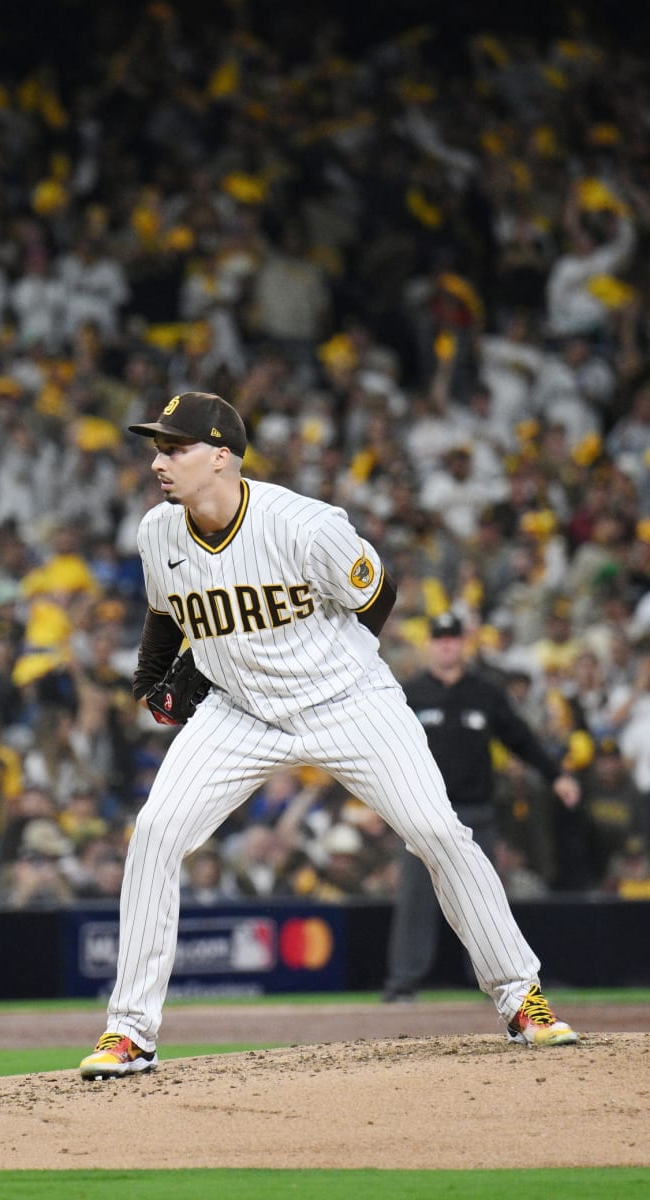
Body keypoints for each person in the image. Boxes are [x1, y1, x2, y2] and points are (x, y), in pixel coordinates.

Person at [80, 392, 579, 1081]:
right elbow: (165, 612)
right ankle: (129, 1032)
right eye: (158, 447)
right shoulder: (157, 532)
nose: (160, 460)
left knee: (437, 832)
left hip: (347, 700)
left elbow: (377, 597)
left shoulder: (306, 525)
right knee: (157, 833)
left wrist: (310, 662)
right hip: (241, 712)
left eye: (176, 447)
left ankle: (521, 997)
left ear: (221, 456)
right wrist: (155, 676)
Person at [382, 611, 582, 1001]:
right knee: (414, 901)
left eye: (453, 638)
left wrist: (556, 774)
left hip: (476, 812)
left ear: (463, 643)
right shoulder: (410, 692)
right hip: (422, 813)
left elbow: (520, 738)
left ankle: (495, 983)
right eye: (440, 638)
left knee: (483, 898)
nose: (446, 645)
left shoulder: (484, 692)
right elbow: (387, 747)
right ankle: (403, 982)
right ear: (430, 644)